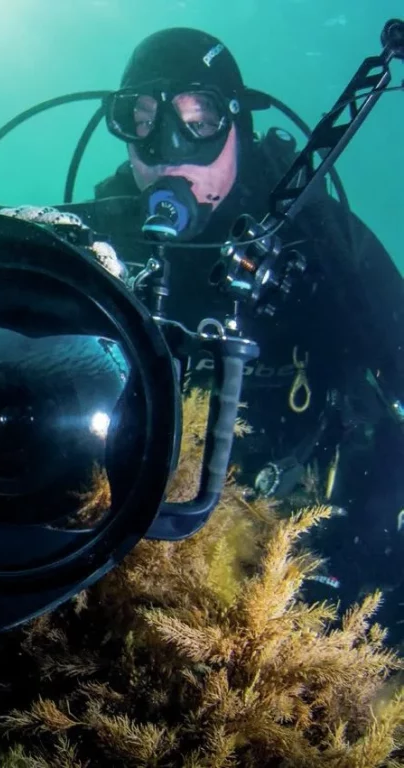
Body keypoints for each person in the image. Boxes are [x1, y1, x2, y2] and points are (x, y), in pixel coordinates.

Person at [82, 27, 404, 637]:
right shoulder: (105, 240)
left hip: (313, 518)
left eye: (199, 119)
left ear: (240, 127)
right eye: (141, 118)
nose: (168, 149)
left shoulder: (323, 242)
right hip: (134, 525)